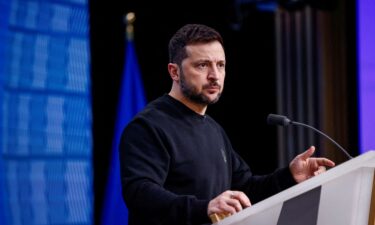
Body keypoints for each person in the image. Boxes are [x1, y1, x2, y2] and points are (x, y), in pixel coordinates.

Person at [119, 23, 335, 225]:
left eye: (220, 65)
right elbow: (141, 195)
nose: (215, 75)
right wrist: (206, 208)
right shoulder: (148, 127)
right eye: (202, 65)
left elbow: (246, 189)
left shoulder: (214, 130)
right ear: (174, 72)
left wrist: (289, 176)